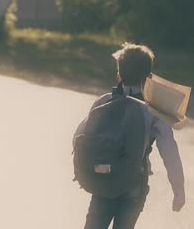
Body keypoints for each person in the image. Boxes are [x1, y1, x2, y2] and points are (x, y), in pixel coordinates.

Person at [74, 43, 185, 229]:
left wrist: (82, 170)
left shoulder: (104, 101)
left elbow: (79, 136)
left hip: (104, 178)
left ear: (119, 74)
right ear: (149, 77)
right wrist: (178, 191)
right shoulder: (154, 110)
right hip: (134, 181)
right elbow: (169, 151)